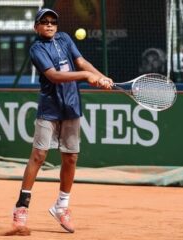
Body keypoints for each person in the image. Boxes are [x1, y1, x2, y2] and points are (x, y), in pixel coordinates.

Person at [8, 8, 113, 235]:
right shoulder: (36, 48)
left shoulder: (64, 38)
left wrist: (100, 76)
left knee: (71, 158)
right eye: (44, 22)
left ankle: (61, 206)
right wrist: (86, 76)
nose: (49, 25)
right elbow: (54, 75)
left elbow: (81, 61)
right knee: (39, 155)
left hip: (72, 106)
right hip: (49, 108)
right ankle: (21, 207)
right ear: (36, 27)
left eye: (53, 21)